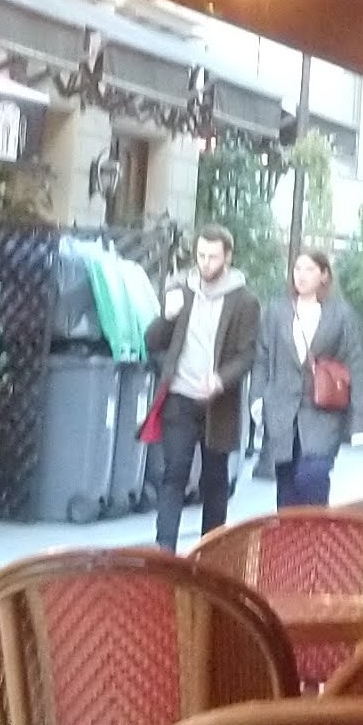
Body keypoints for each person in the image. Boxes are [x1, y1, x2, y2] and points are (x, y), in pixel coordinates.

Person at [141, 227, 257, 549]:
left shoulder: (245, 301)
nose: (205, 263)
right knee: (173, 474)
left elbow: (247, 354)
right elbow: (152, 341)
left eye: (213, 257)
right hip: (180, 396)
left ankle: (211, 552)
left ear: (228, 257)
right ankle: (165, 550)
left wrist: (220, 379)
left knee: (214, 480)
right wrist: (167, 316)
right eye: (201, 255)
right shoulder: (182, 291)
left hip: (218, 403)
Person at [255, 241, 362, 506]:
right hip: (282, 411)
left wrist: (359, 421)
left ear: (324, 274)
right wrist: (258, 397)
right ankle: (290, 534)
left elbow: (356, 363)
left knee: (312, 476)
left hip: (324, 412)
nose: (301, 275)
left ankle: (317, 530)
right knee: (287, 487)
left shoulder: (341, 315)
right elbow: (262, 357)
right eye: (297, 269)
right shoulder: (277, 312)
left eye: (309, 269)